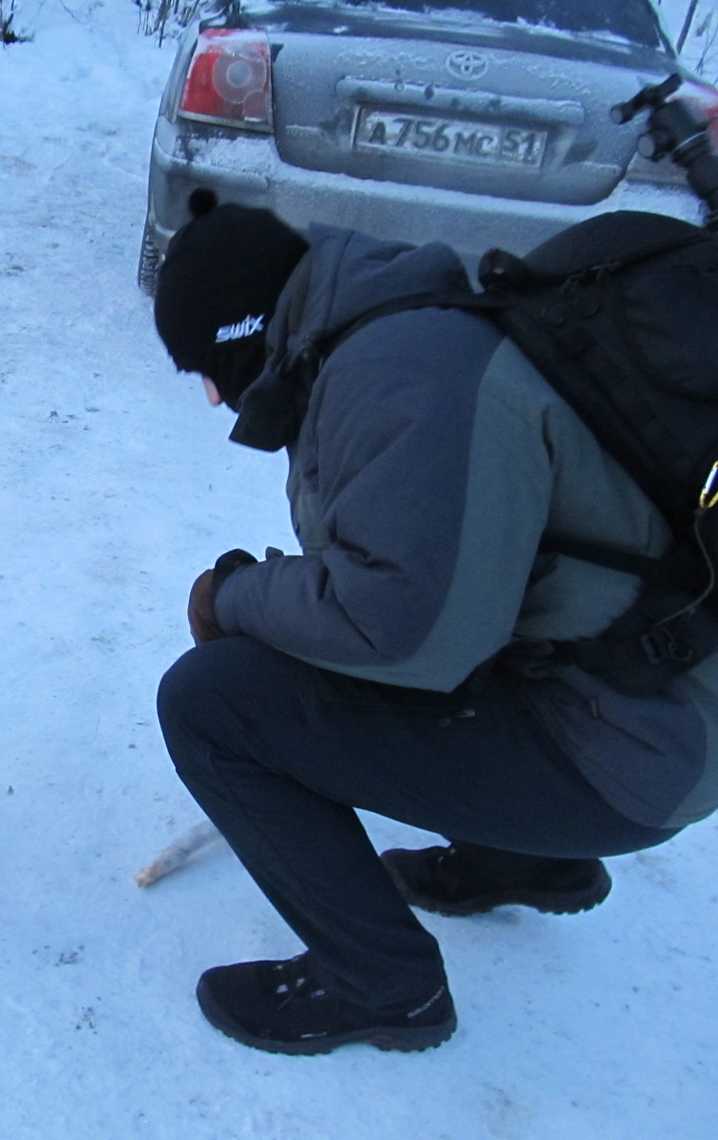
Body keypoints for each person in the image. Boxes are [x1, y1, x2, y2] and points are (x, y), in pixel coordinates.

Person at [150, 189, 718, 1055]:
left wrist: (233, 598)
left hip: (631, 751)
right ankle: (521, 856)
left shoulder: (402, 373)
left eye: (203, 372)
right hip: (652, 713)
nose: (212, 398)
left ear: (240, 337)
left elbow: (401, 631)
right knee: (338, 641)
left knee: (213, 702)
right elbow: (444, 583)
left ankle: (381, 987)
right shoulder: (387, 331)